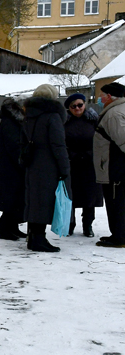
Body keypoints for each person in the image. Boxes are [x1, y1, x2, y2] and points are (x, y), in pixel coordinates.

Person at [21, 84, 71, 252]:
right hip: (48, 164)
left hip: (32, 163)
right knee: (44, 201)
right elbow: (58, 145)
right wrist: (65, 168)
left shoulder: (28, 115)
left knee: (34, 200)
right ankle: (39, 239)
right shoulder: (52, 116)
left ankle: (33, 236)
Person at [63, 93, 103, 237]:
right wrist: (70, 155)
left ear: (85, 105)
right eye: (73, 106)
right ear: (69, 108)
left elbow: (101, 140)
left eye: (80, 105)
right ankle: (69, 224)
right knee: (70, 195)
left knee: (90, 197)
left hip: (90, 164)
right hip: (71, 164)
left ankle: (88, 225)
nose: (77, 108)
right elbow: (60, 142)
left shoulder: (94, 120)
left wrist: (91, 154)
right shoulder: (64, 122)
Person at [92, 82, 125, 248]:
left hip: (115, 167)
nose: (99, 98)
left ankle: (120, 237)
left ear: (110, 97)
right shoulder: (119, 110)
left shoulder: (113, 114)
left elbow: (123, 140)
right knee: (117, 201)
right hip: (115, 166)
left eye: (102, 95)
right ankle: (118, 234)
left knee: (116, 202)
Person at [0, 98, 27, 240]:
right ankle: (4, 229)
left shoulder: (11, 120)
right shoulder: (10, 122)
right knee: (11, 198)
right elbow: (13, 145)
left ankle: (12, 227)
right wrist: (22, 161)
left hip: (9, 165)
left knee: (15, 198)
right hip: (10, 167)